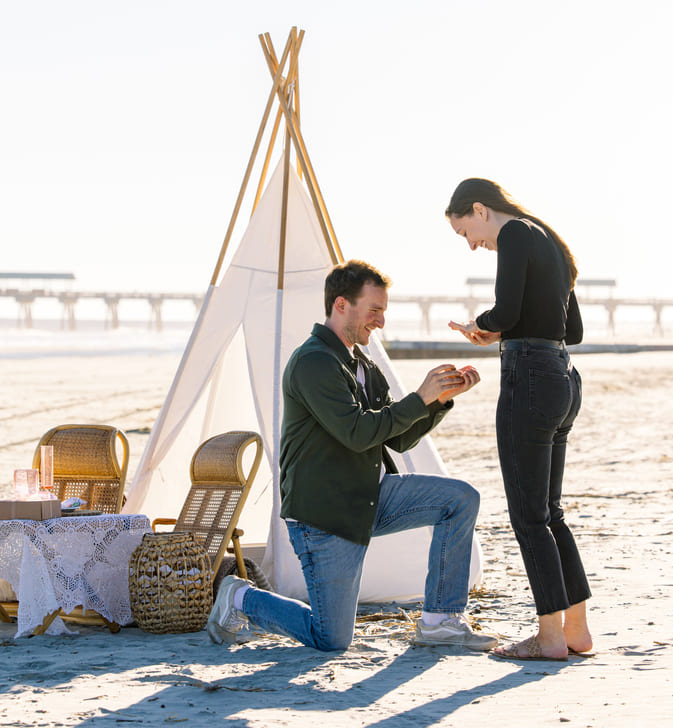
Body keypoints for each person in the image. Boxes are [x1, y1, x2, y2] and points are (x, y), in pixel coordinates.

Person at [206, 260, 496, 652]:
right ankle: (240, 597)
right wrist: (419, 397)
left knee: (459, 500)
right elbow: (358, 433)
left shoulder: (361, 364)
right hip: (324, 516)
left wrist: (438, 401)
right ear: (341, 304)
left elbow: (398, 439)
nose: (379, 322)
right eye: (373, 310)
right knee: (331, 638)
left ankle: (440, 621)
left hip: (370, 496)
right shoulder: (312, 363)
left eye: (383, 312)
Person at [444, 177, 593, 662]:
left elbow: (506, 309)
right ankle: (576, 631)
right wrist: (500, 329)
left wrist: (479, 326)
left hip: (529, 378)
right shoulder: (549, 239)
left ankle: (549, 638)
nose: (470, 244)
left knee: (529, 517)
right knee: (551, 513)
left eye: (465, 230)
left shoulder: (511, 235)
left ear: (480, 209)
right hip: (563, 376)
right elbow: (573, 329)